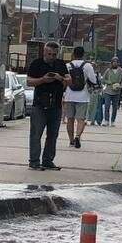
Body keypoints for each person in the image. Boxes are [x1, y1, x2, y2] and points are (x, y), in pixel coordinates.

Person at [25, 41, 67, 170]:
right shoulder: (36, 64)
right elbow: (28, 81)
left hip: (56, 105)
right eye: (49, 54)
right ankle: (34, 161)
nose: (52, 57)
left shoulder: (61, 64)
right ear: (44, 52)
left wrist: (61, 78)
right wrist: (43, 79)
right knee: (36, 134)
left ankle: (48, 160)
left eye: (54, 54)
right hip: (40, 105)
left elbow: (69, 81)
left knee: (53, 135)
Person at [61, 45, 98, 149]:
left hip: (69, 95)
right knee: (81, 119)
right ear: (83, 54)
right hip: (83, 96)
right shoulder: (87, 66)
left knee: (70, 119)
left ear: (73, 54)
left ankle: (71, 141)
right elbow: (93, 80)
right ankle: (77, 136)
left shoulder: (67, 65)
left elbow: (63, 80)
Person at [101, 61, 122, 125]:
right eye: (113, 62)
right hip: (108, 91)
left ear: (118, 63)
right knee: (107, 106)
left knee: (115, 107)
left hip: (117, 92)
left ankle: (113, 120)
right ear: (111, 63)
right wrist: (109, 82)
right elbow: (103, 80)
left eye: (116, 62)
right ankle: (106, 120)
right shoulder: (108, 70)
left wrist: (120, 86)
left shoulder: (120, 71)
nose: (115, 64)